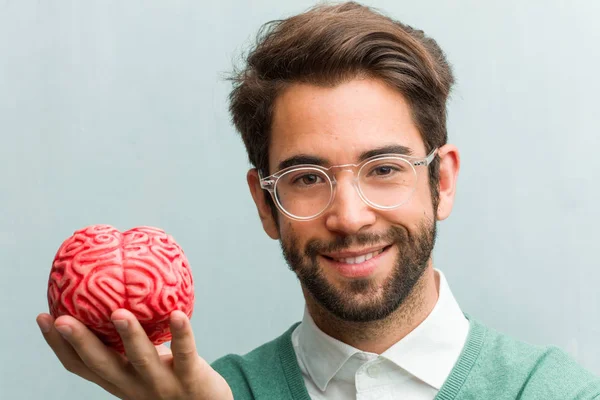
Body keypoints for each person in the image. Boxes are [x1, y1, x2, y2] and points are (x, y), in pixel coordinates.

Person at [35, 2, 600, 399]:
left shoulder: (554, 392)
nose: (350, 217)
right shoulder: (205, 393)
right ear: (265, 203)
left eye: (384, 169)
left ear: (441, 182)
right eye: (307, 177)